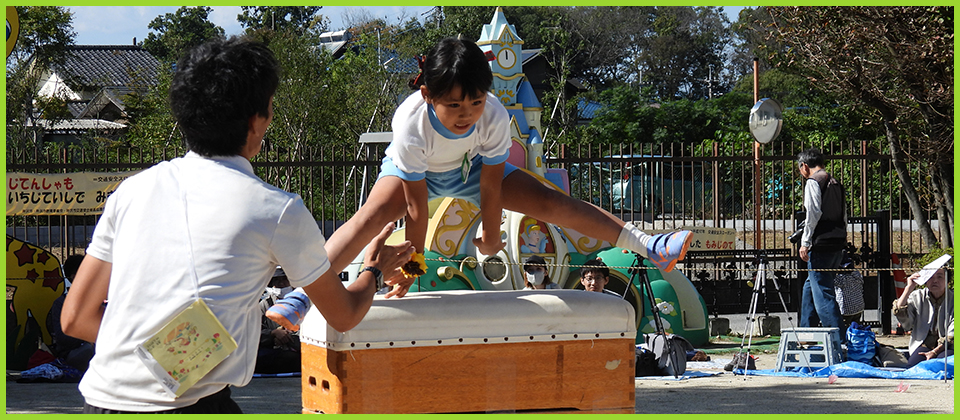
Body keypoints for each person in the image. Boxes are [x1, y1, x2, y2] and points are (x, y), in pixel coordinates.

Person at [60, 36, 414, 414]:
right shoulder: (275, 209)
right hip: (194, 405)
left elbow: (76, 318)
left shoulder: (132, 192)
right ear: (257, 120)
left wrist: (148, 356)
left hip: (99, 400)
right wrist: (374, 271)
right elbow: (343, 313)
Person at [322, 37, 693, 299]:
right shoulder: (410, 123)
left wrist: (492, 234)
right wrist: (412, 268)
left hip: (473, 171)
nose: (466, 114)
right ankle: (308, 293)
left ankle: (650, 244)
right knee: (371, 215)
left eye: (476, 102)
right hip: (417, 175)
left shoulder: (495, 114)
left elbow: (490, 187)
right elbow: (417, 210)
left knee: (552, 202)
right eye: (453, 105)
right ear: (427, 96)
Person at [796, 148, 847, 338]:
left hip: (820, 243)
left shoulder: (813, 182)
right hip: (836, 242)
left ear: (804, 166)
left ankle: (839, 340)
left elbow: (813, 213)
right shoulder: (835, 182)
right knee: (812, 286)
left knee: (823, 293)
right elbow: (844, 215)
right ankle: (805, 334)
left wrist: (805, 241)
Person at [893, 267, 954, 367]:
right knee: (913, 366)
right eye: (931, 277)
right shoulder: (917, 296)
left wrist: (934, 352)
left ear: (948, 281)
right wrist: (908, 288)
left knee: (942, 366)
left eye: (940, 277)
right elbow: (904, 319)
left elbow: (953, 333)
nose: (935, 281)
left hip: (949, 346)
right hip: (924, 344)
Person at [46, 255, 95, 372]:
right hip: (74, 352)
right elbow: (63, 339)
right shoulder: (61, 303)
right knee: (89, 350)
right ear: (74, 276)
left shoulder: (96, 298)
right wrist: (86, 337)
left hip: (94, 347)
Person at [256, 269, 300, 374]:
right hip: (272, 352)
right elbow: (254, 333)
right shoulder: (264, 305)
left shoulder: (302, 303)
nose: (281, 284)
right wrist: (273, 334)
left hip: (296, 351)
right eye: (277, 280)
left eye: (284, 279)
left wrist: (287, 338)